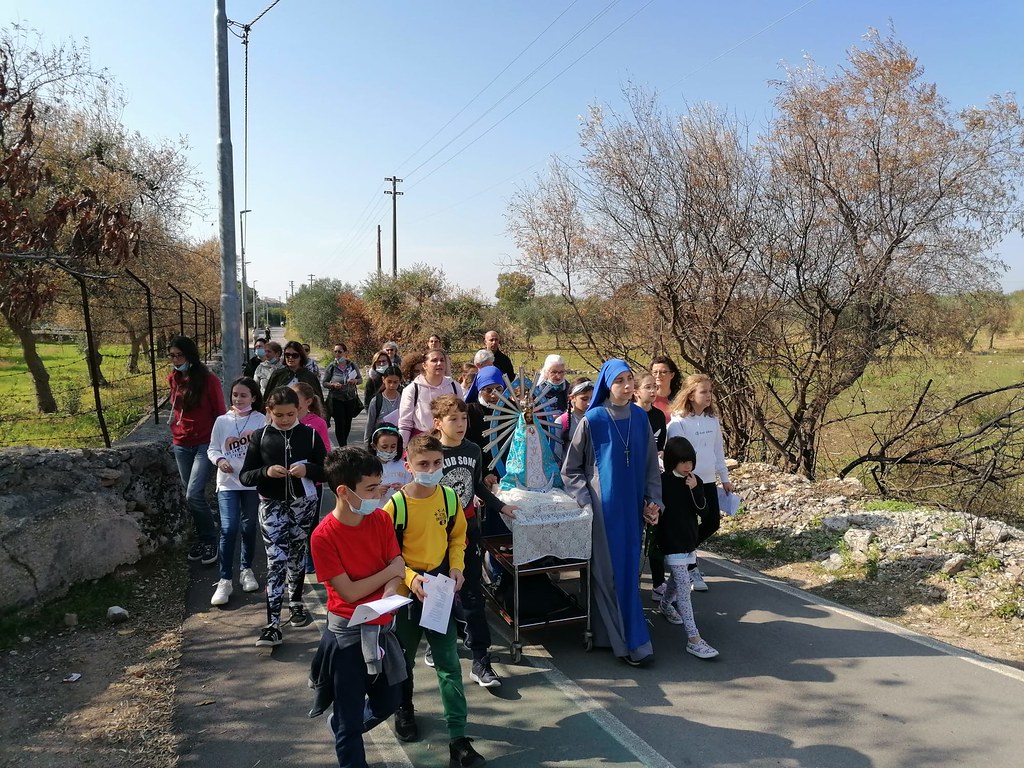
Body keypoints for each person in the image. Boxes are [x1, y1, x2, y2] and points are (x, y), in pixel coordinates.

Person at [382, 434, 486, 767]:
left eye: (437, 463)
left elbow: (458, 537)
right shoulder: (395, 506)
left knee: (449, 665)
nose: (431, 470)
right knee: (403, 662)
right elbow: (387, 554)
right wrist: (412, 580)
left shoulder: (450, 498)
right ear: (408, 465)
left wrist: (456, 568)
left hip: (439, 591)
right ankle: (404, 708)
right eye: (423, 464)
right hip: (405, 596)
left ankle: (458, 737)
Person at [307, 446, 408, 768]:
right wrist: (389, 576)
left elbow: (398, 565)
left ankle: (341, 728)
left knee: (391, 700)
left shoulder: (380, 519)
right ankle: (346, 737)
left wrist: (388, 590)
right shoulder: (323, 536)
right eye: (370, 489)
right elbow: (348, 592)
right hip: (347, 638)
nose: (379, 494)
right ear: (343, 491)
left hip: (382, 629)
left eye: (380, 485)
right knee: (350, 723)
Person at [561, 359, 662, 666]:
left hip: (632, 511)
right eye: (619, 381)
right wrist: (586, 501)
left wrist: (653, 501)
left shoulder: (639, 418)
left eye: (630, 379)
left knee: (629, 575)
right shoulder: (593, 419)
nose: (627, 386)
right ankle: (630, 644)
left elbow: (650, 468)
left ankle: (620, 637)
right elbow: (571, 469)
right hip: (603, 513)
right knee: (608, 577)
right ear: (607, 384)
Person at [430, 395, 516, 688]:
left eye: (464, 418)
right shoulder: (431, 452)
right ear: (438, 423)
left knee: (473, 596)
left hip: (467, 532)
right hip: (434, 536)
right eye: (453, 419)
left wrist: (500, 506)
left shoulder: (474, 449)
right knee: (438, 593)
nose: (461, 424)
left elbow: (477, 484)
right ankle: (437, 642)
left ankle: (481, 660)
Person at [240, 387, 328, 647]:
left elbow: (327, 471)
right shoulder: (260, 436)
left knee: (297, 554)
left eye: (290, 414)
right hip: (271, 505)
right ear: (269, 411)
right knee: (276, 560)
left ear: (299, 410)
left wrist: (307, 469)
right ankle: (272, 624)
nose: (286, 419)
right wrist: (266, 471)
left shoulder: (310, 435)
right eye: (279, 415)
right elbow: (246, 475)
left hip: (304, 503)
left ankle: (296, 601)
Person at [666, 373, 734, 592]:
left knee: (712, 522)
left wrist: (724, 478)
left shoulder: (712, 420)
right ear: (690, 394)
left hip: (707, 481)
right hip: (687, 482)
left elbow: (718, 451)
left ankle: (682, 553)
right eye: (703, 391)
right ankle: (689, 566)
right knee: (688, 525)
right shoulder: (679, 422)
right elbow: (674, 454)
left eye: (710, 391)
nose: (708, 396)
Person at [655, 436, 719, 659]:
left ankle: (664, 604)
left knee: (678, 578)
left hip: (688, 540)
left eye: (690, 462)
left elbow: (704, 512)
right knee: (684, 585)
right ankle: (694, 639)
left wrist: (696, 489)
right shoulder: (661, 481)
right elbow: (657, 509)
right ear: (673, 460)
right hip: (671, 541)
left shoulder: (694, 481)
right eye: (683, 462)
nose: (688, 467)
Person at [168, 335, 225, 565]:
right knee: (192, 495)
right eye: (171, 355)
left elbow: (220, 413)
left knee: (193, 494)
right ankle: (206, 532)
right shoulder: (174, 378)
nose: (175, 359)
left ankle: (210, 538)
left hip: (204, 443)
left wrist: (219, 444)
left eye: (179, 355)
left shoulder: (209, 380)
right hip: (181, 443)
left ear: (190, 355)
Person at [206, 376, 264, 606]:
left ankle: (246, 569)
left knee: (249, 526)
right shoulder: (222, 421)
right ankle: (224, 580)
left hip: (251, 482)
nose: (238, 399)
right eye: (235, 395)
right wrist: (220, 460)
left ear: (253, 397)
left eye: (243, 395)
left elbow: (266, 449)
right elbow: (212, 448)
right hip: (227, 483)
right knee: (229, 528)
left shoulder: (261, 420)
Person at [634, 371, 668, 601]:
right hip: (635, 477)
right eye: (648, 387)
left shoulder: (658, 416)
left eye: (655, 387)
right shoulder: (631, 415)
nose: (653, 391)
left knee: (656, 531)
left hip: (654, 475)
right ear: (636, 391)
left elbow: (661, 445)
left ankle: (658, 583)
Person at [292, 381, 332, 574]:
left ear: (308, 401)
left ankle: (311, 556)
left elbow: (326, 452)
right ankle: (296, 555)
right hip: (289, 480)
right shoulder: (285, 419)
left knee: (311, 521)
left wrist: (311, 468)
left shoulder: (318, 423)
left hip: (311, 481)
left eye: (296, 399)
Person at [397, 349, 464, 444]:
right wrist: (403, 448)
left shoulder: (454, 386)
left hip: (450, 441)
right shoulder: (412, 389)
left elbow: (461, 414)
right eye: (434, 360)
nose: (439, 363)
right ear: (424, 365)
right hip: (422, 443)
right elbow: (405, 424)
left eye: (442, 360)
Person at [322, 343, 364, 447]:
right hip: (337, 399)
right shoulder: (331, 367)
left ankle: (343, 442)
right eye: (335, 351)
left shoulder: (352, 365)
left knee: (347, 423)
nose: (337, 354)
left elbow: (361, 380)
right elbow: (324, 382)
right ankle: (343, 446)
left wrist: (355, 381)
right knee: (339, 423)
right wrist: (332, 385)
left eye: (339, 352)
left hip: (350, 398)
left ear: (345, 353)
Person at [368, 425, 411, 502]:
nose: (389, 450)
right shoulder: (366, 468)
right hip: (377, 511)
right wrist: (375, 491)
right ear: (374, 446)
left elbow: (414, 490)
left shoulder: (405, 466)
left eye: (393, 446)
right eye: (384, 447)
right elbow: (359, 495)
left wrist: (404, 490)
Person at [555, 378, 593, 462]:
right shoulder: (562, 422)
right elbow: (557, 453)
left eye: (592, 398)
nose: (589, 403)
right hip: (569, 471)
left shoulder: (597, 420)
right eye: (584, 399)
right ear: (572, 398)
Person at [363, 365, 403, 442]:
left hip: (398, 441)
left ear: (400, 381)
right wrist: (367, 443)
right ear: (383, 380)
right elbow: (370, 425)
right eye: (389, 381)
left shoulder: (404, 399)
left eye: (395, 382)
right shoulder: (376, 401)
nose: (392, 385)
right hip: (380, 441)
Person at [650, 355, 682, 422]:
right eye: (655, 372)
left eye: (663, 372)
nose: (658, 375)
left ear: (672, 375)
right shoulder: (647, 398)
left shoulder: (680, 399)